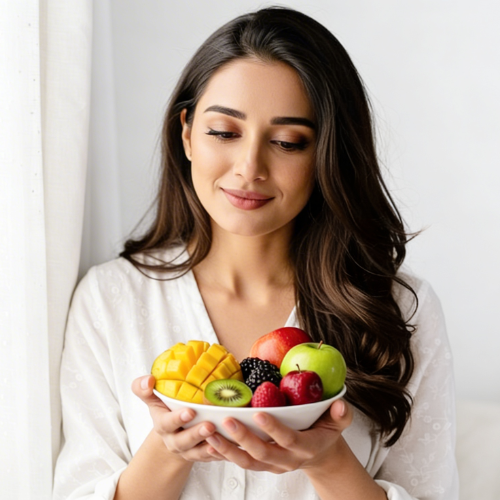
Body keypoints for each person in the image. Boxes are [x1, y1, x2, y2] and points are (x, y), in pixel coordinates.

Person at [53, 6, 458, 500]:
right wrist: (168, 452)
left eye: (288, 142)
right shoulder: (110, 299)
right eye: (224, 132)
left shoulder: (399, 310)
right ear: (186, 133)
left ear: (327, 153)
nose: (249, 168)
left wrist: (328, 462)